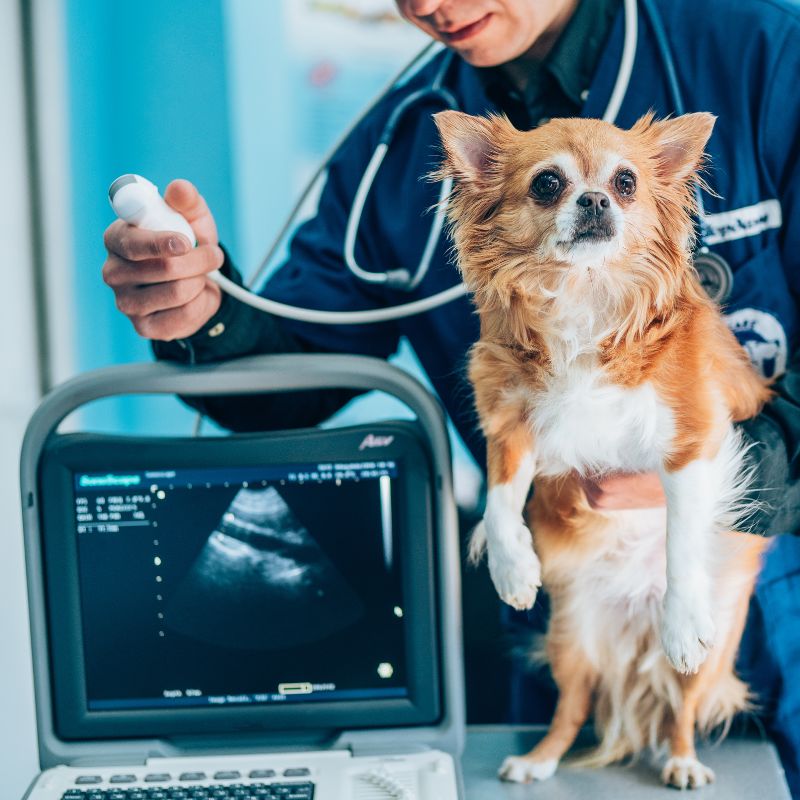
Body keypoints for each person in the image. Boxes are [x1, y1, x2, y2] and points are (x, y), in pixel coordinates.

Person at [102, 0, 800, 792]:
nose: (429, 6)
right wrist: (206, 316)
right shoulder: (396, 149)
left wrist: (734, 474)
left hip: (776, 589)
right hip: (564, 594)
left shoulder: (761, 57)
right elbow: (291, 376)